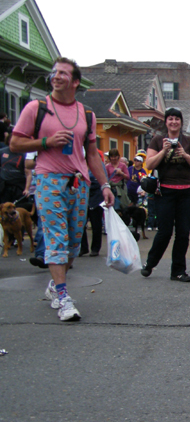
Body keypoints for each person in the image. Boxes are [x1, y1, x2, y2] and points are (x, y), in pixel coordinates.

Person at [9, 57, 115, 321]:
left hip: (78, 183)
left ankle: (55, 286)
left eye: (63, 73)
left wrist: (104, 185)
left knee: (72, 245)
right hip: (48, 181)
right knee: (56, 239)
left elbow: (92, 155)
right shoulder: (37, 108)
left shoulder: (86, 114)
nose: (56, 76)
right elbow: (14, 144)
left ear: (75, 81)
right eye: (54, 72)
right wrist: (46, 141)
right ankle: (65, 298)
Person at [140, 107, 190, 282]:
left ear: (181, 122)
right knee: (164, 232)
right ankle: (149, 264)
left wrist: (184, 154)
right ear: (166, 122)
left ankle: (178, 271)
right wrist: (164, 151)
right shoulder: (158, 140)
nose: (174, 122)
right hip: (165, 192)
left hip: (186, 192)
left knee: (183, 233)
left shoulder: (189, 141)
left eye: (177, 119)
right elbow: (150, 164)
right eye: (170, 119)